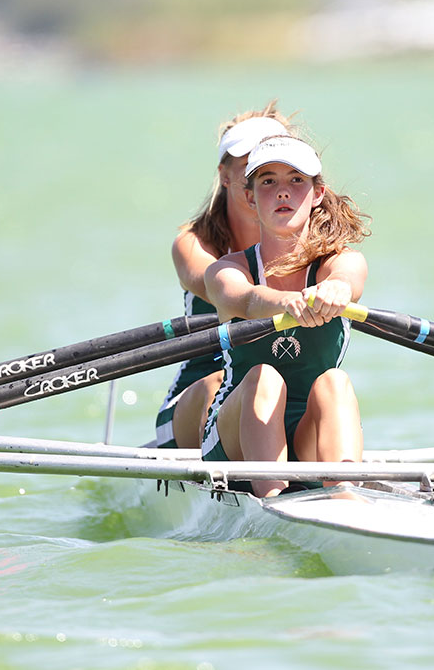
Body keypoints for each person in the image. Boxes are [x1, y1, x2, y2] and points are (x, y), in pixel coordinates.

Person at [201, 135, 370, 497]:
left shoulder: (341, 262)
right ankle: (272, 499)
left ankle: (344, 493)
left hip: (310, 434)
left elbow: (347, 278)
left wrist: (336, 290)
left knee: (335, 383)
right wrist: (285, 302)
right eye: (268, 181)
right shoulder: (226, 269)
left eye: (296, 180)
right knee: (264, 377)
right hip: (236, 442)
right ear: (250, 198)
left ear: (318, 193)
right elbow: (244, 300)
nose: (283, 192)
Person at [154, 103, 295, 449]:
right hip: (197, 398)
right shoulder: (193, 244)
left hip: (280, 395)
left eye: (274, 171)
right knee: (226, 383)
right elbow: (228, 294)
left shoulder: (313, 245)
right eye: (251, 169)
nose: (264, 183)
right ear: (225, 175)